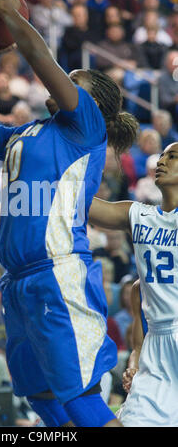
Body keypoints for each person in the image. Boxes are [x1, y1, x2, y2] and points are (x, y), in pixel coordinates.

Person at [0, 0, 139, 428]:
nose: (61, 81)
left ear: (90, 101)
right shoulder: (22, 134)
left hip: (58, 273)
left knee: (83, 399)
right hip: (17, 282)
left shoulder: (86, 126)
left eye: (72, 81)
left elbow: (38, 56)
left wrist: (12, 11)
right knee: (44, 398)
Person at [89, 141, 178, 426]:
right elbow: (84, 207)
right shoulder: (140, 215)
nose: (162, 161)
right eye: (161, 156)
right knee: (136, 420)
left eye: (173, 156)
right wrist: (136, 355)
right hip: (157, 342)